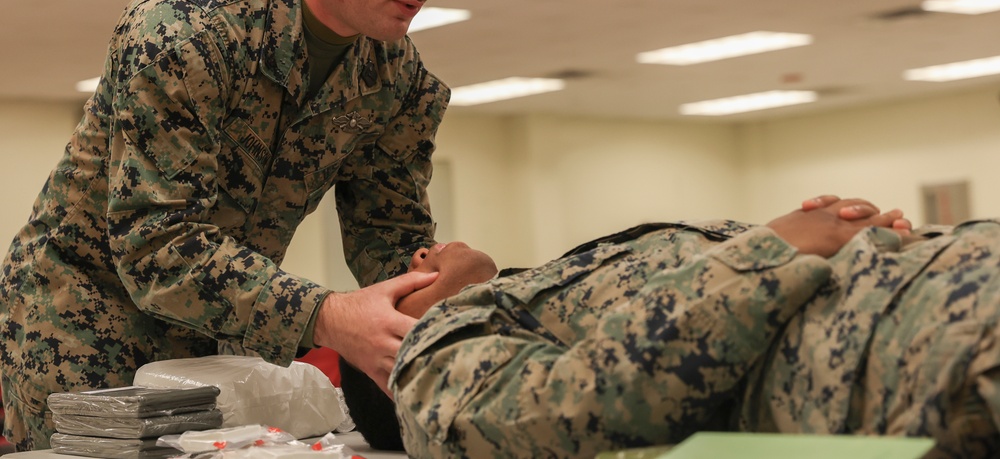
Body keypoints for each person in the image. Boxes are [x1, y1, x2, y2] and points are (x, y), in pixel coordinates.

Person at [0, 0, 477, 450]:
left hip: (212, 352)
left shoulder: (397, 80)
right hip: (80, 346)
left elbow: (387, 242)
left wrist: (433, 301)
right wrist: (329, 316)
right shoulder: (187, 28)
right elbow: (157, 248)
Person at [339, 198, 1000, 459]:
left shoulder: (530, 296)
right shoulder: (431, 365)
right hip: (938, 344)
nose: (425, 252)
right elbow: (566, 412)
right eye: (405, 275)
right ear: (386, 356)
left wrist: (858, 238)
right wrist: (767, 250)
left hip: (948, 280)